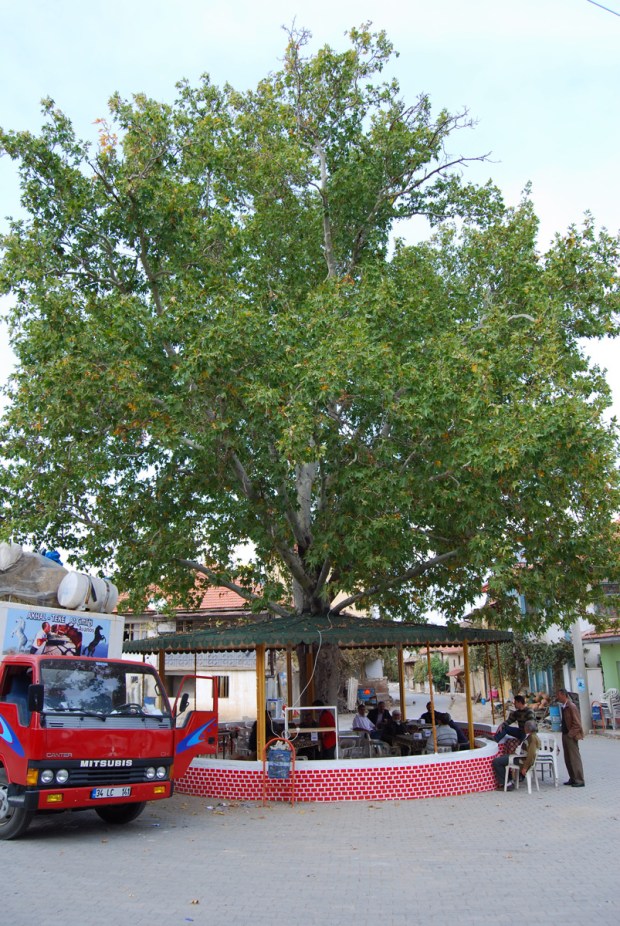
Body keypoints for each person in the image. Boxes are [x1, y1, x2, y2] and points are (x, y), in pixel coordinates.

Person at [492, 719, 540, 790]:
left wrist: (525, 767)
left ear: (527, 728)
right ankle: (509, 780)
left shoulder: (532, 738)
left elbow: (531, 754)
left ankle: (507, 783)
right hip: (520, 757)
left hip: (522, 760)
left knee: (497, 762)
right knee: (503, 758)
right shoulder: (532, 736)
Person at [556, 689, 585, 787]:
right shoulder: (564, 707)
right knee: (568, 758)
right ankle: (572, 778)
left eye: (559, 695)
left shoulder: (571, 706)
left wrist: (570, 735)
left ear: (563, 695)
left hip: (570, 735)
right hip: (565, 734)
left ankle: (579, 779)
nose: (558, 697)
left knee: (574, 758)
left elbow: (577, 724)